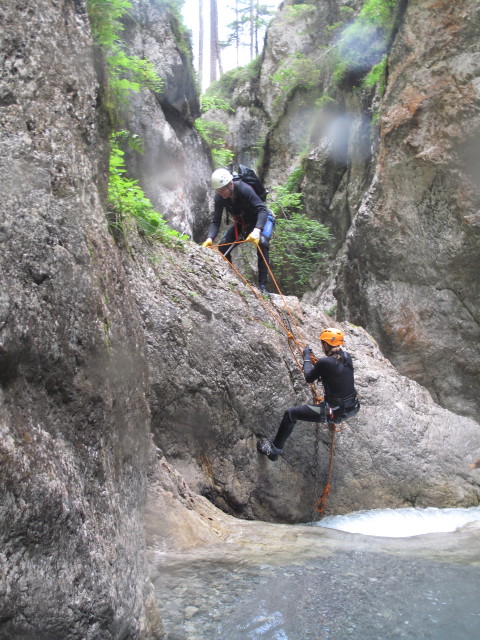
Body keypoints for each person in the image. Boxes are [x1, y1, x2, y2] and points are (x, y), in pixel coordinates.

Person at [257, 327, 360, 461]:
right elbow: (332, 369)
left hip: (333, 411)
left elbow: (309, 377)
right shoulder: (346, 356)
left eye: (322, 343)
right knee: (318, 409)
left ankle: (273, 451)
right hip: (353, 407)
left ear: (326, 344)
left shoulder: (324, 362)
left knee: (291, 413)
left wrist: (306, 357)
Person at [202, 168, 273, 293]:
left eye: (222, 189)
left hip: (261, 219)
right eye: (218, 190)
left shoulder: (243, 189)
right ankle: (231, 278)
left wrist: (256, 230)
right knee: (223, 246)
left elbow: (262, 210)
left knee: (262, 242)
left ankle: (262, 286)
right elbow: (215, 221)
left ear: (230, 184)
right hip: (243, 223)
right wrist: (210, 238)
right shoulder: (220, 198)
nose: (220, 193)